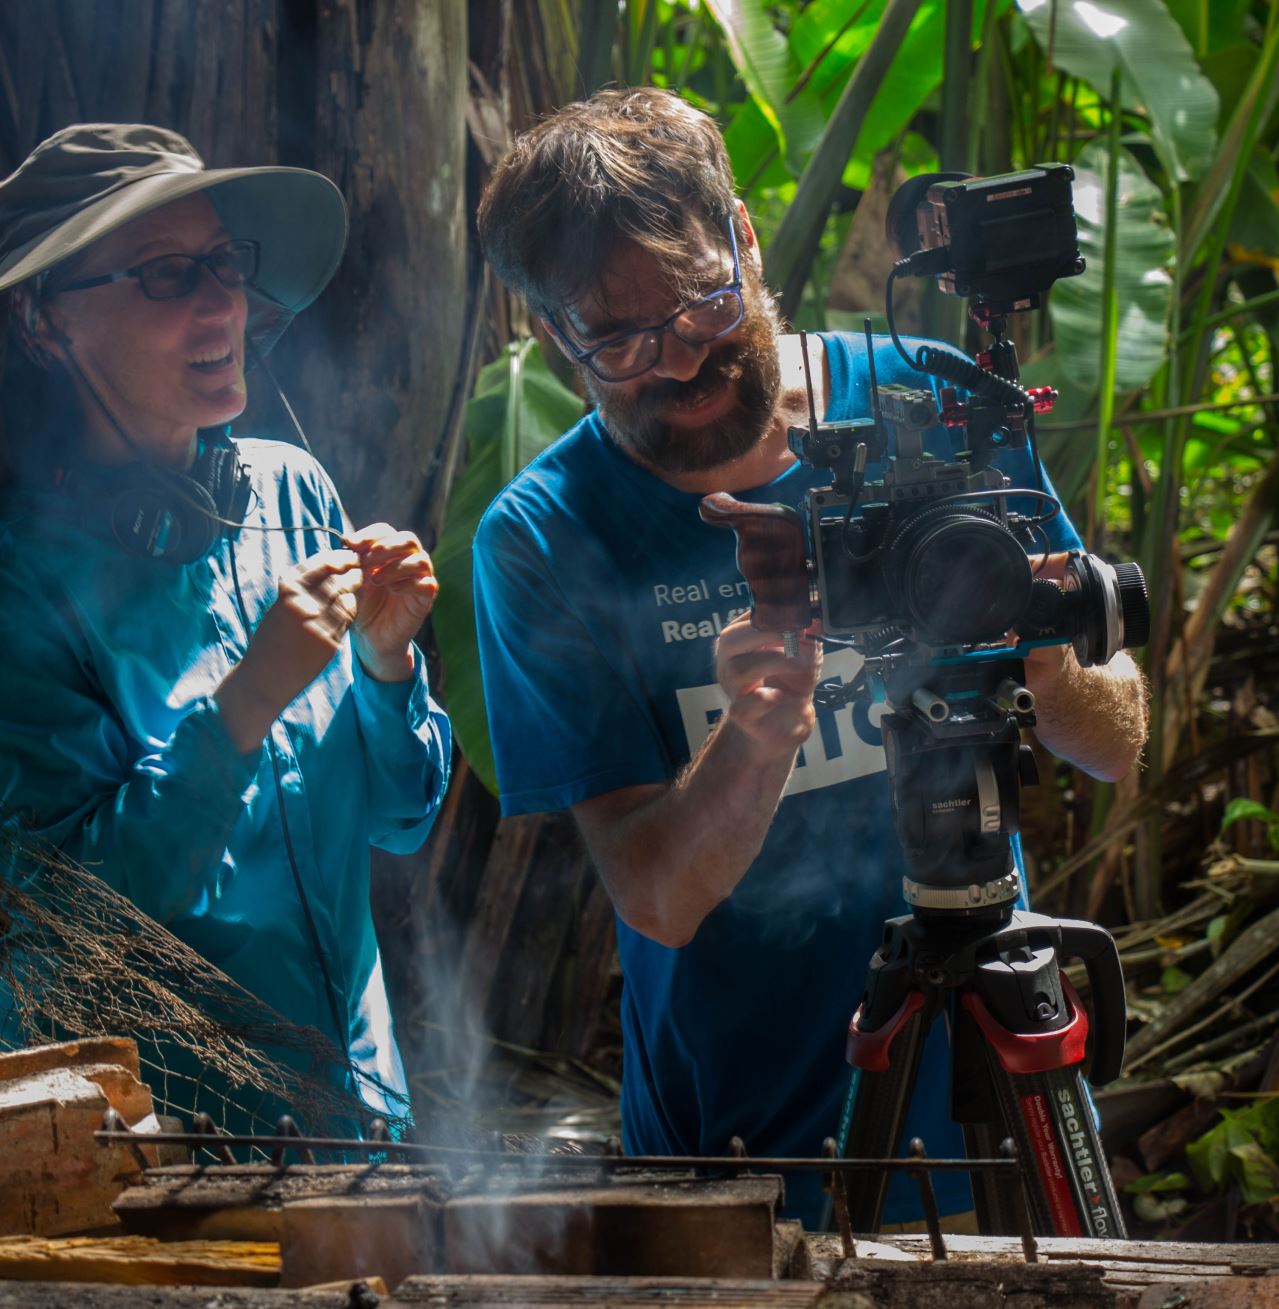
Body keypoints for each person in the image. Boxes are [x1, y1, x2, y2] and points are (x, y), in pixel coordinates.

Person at [471, 88, 1147, 1224]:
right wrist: (759, 727)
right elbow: (657, 900)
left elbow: (1119, 743)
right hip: (741, 1167)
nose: (679, 362)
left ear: (740, 234)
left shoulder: (935, 401)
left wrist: (1038, 655)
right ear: (552, 335)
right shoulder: (542, 539)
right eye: (619, 340)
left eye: (699, 304)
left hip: (999, 1101)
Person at [0, 123, 452, 1130]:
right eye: (167, 275)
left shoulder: (292, 490)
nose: (224, 305)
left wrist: (387, 663)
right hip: (139, 1148)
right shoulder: (0, 586)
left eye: (224, 263)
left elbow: (401, 817)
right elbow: (85, 917)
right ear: (43, 323)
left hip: (353, 1124)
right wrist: (248, 698)